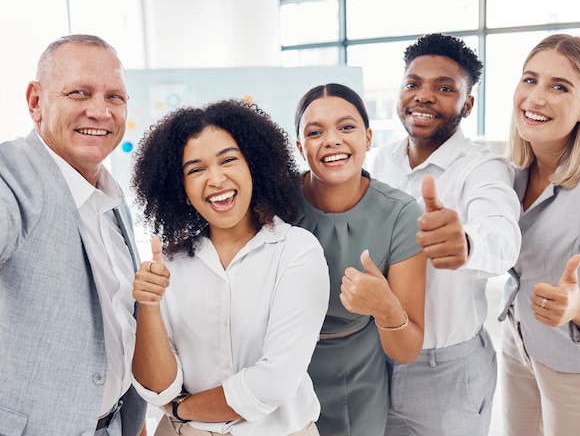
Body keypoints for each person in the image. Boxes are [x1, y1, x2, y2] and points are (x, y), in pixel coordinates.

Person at [129, 99, 330, 436]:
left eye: (228, 161)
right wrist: (148, 305)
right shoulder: (169, 264)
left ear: (254, 165)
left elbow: (274, 384)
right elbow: (159, 388)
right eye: (196, 169)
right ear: (181, 188)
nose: (216, 178)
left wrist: (182, 408)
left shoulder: (296, 251)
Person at [367, 33, 522, 435]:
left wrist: (466, 242)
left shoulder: (482, 169)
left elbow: (501, 237)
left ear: (467, 105)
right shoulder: (378, 163)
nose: (423, 96)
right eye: (413, 84)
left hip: (446, 372)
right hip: (372, 361)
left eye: (444, 88)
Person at [0, 34, 146, 435]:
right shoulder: (12, 174)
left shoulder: (115, 202)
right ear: (35, 102)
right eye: (79, 93)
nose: (100, 111)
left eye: (114, 97)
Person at [497, 34, 580, 436]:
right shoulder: (513, 171)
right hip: (519, 341)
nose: (535, 98)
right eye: (530, 79)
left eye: (559, 87)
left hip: (578, 369)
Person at [294, 83, 426, 436]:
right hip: (280, 377)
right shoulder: (273, 205)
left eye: (346, 127)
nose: (332, 139)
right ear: (299, 147)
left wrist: (386, 308)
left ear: (368, 138)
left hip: (357, 385)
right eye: (315, 131)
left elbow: (407, 349)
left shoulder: (399, 212)